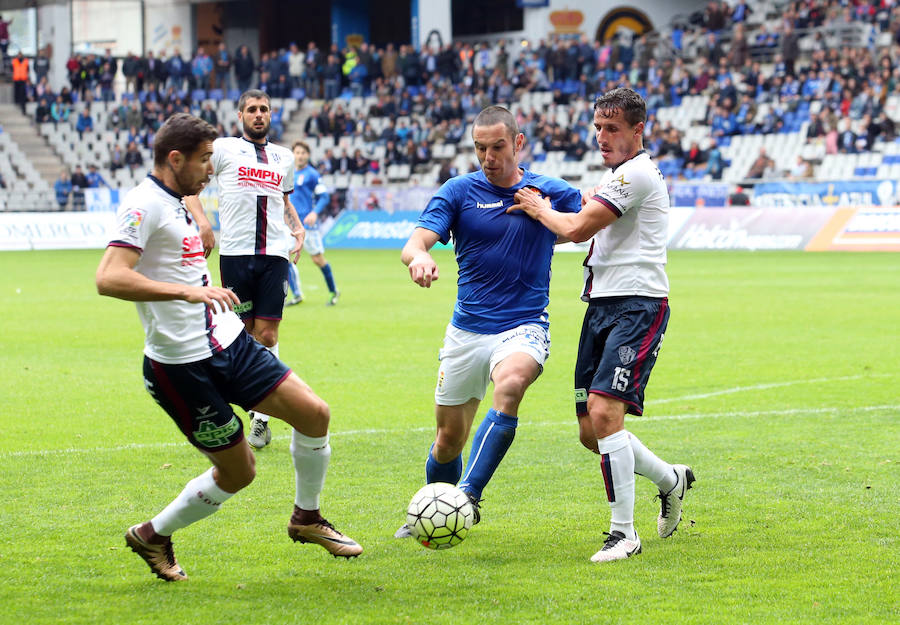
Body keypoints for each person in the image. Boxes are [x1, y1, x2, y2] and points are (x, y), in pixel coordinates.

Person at [95, 113, 361, 582]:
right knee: (240, 473)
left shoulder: (177, 200)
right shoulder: (143, 204)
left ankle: (307, 518)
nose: (207, 171)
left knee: (314, 413)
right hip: (181, 367)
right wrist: (188, 292)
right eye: (202, 161)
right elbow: (109, 277)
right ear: (174, 159)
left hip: (226, 341)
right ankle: (152, 534)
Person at [508, 88, 694, 563]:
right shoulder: (615, 177)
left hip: (639, 305)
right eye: (598, 128)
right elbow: (582, 219)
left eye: (612, 129)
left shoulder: (634, 174)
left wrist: (537, 207)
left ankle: (623, 535)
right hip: (602, 305)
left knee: (606, 415)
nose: (602, 137)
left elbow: (574, 230)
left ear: (638, 130)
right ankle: (671, 480)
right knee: (592, 432)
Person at [394, 105, 582, 538]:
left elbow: (586, 223)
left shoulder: (548, 190)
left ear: (518, 143)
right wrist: (419, 258)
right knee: (447, 440)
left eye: (497, 147)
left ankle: (468, 497)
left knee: (511, 385)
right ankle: (433, 509)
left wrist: (544, 212)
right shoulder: (458, 191)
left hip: (524, 324)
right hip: (466, 331)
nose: (488, 157)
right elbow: (414, 243)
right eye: (480, 148)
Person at [184, 89, 303, 451]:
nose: (258, 114)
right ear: (240, 116)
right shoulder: (222, 150)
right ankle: (254, 404)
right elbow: (190, 187)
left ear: (271, 114)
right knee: (243, 332)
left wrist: (296, 227)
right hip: (235, 253)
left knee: (266, 335)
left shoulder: (283, 156)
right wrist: (203, 223)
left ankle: (262, 419)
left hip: (273, 255)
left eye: (264, 109)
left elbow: (282, 199)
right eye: (251, 109)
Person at [288, 140, 339, 307]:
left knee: (317, 259)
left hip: (308, 225)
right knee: (283, 258)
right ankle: (296, 294)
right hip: (290, 225)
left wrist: (314, 213)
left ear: (308, 155)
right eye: (297, 152)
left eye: (303, 153)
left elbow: (324, 197)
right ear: (293, 155)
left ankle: (333, 291)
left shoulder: (312, 175)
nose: (300, 156)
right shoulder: (288, 173)